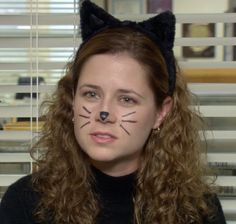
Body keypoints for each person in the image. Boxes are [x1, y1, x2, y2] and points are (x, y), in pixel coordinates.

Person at [0, 1, 226, 223]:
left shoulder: (200, 210)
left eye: (127, 99)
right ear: (72, 101)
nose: (104, 113)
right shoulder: (25, 204)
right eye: (91, 94)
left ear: (161, 112)